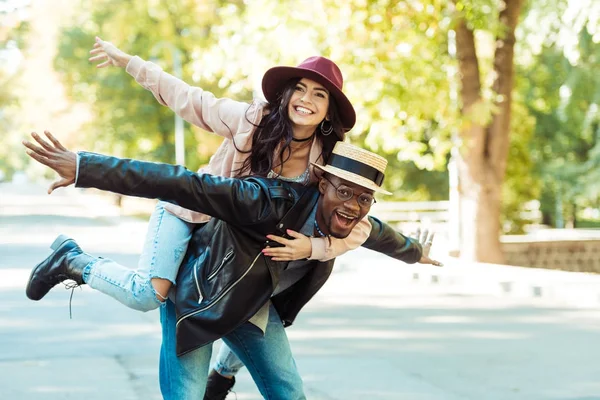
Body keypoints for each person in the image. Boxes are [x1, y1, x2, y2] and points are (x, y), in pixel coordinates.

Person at [36, 38, 374, 397]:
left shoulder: (328, 162)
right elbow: (190, 99)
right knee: (147, 294)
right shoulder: (253, 120)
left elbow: (364, 223)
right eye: (300, 89)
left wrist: (313, 245)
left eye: (319, 95)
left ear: (329, 111)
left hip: (238, 257)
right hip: (190, 212)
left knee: (277, 368)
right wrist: (131, 63)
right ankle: (75, 261)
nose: (306, 100)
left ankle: (222, 373)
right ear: (287, 94)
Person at [23, 134, 442, 399]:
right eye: (346, 192)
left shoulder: (353, 224)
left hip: (253, 305)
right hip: (201, 295)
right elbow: (181, 182)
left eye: (364, 199)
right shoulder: (265, 199)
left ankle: (222, 379)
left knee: (288, 392)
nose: (353, 206)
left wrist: (416, 252)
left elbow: (386, 237)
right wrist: (86, 168)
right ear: (321, 183)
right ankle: (75, 261)